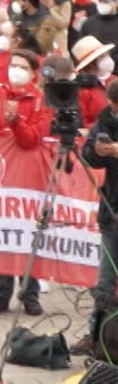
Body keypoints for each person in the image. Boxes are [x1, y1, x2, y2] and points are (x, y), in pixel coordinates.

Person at [0, 48, 55, 316]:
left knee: (32, 238)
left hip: (31, 181)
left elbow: (31, 139)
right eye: (12, 65)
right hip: (0, 178)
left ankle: (30, 294)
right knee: (2, 236)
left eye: (22, 67)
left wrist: (15, 120)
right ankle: (1, 293)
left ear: (33, 73)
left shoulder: (42, 100)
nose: (15, 71)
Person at [78, 81, 118, 356]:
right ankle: (98, 337)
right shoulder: (106, 120)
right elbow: (87, 155)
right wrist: (97, 151)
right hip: (112, 212)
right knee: (105, 282)